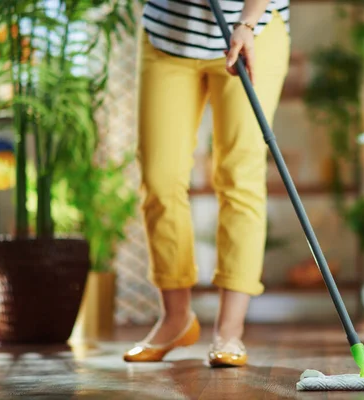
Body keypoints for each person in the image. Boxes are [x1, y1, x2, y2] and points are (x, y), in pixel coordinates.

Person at [123, 0, 290, 367]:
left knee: (239, 176)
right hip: (168, 34)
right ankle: (176, 318)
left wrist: (246, 22)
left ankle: (230, 331)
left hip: (252, 28)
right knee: (159, 176)